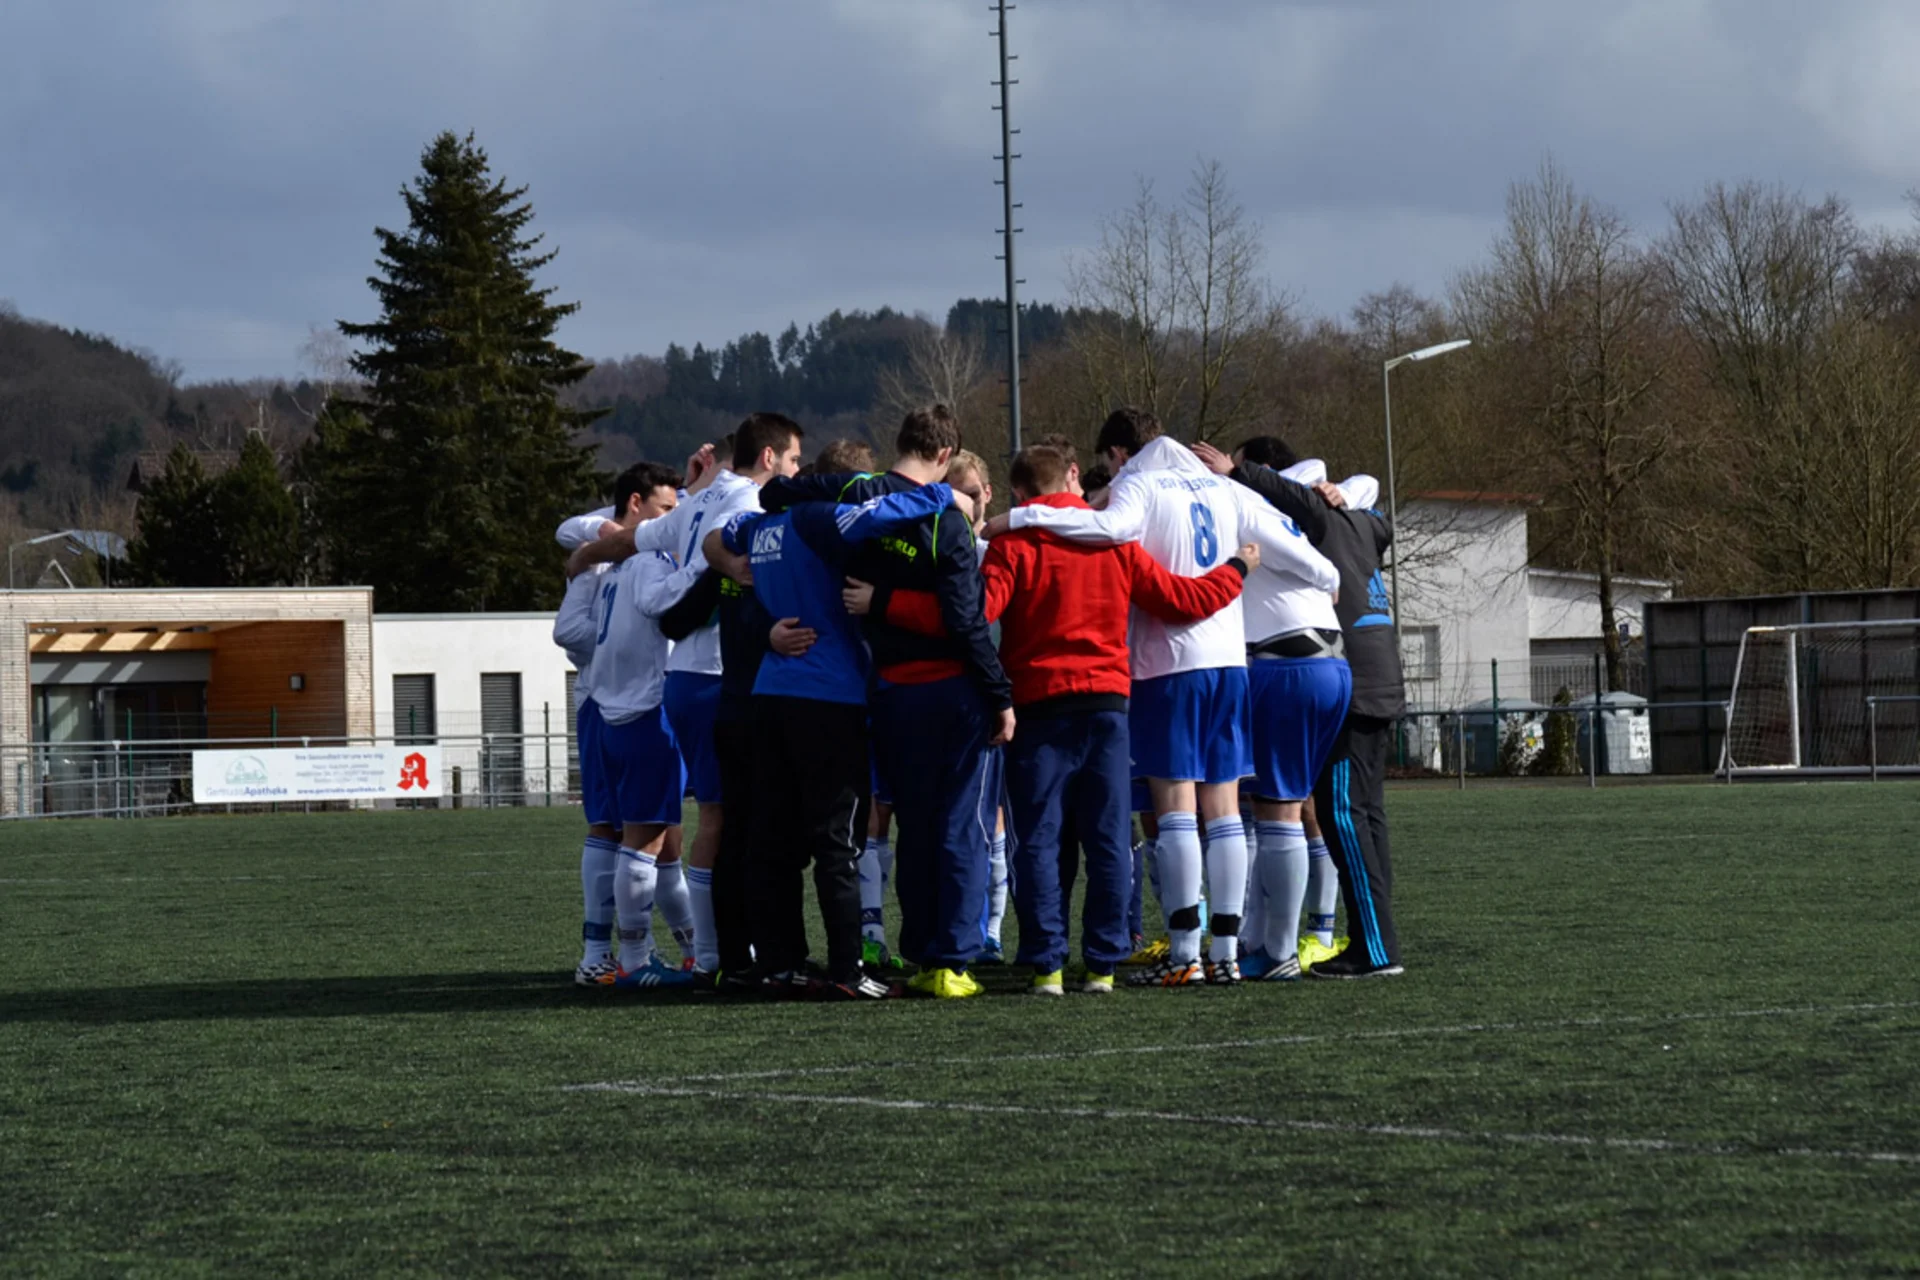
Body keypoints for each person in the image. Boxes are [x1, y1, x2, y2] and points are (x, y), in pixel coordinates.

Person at [864, 444, 1256, 993]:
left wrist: (886, 602)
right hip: (1106, 706)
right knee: (1108, 839)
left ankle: (1047, 963)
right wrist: (1237, 568)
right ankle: (1102, 964)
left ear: (1019, 493)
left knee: (1038, 841)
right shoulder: (1113, 542)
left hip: (1039, 707)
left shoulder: (1014, 545)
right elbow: (1183, 600)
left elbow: (969, 615)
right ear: (1070, 479)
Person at [982, 407, 1336, 987]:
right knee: (1204, 814)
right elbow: (1221, 578)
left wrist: (1010, 523)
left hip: (1123, 680)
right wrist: (1263, 572)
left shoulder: (1117, 499)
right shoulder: (1214, 492)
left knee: (1133, 818)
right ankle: (1202, 954)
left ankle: (1152, 954)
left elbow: (1090, 539)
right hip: (1198, 669)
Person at [767, 407, 1014, 1000]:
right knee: (961, 827)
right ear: (944, 453)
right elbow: (966, 620)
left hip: (891, 691)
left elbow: (775, 492)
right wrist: (1000, 695)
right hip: (951, 689)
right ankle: (952, 960)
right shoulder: (945, 519)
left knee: (916, 827)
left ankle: (923, 950)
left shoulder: (859, 495)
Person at [567, 415, 806, 979]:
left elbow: (631, 537)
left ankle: (694, 949)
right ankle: (712, 954)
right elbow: (697, 574)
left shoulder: (696, 502)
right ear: (768, 458)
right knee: (721, 821)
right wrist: (719, 574)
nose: (797, 472)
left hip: (677, 682)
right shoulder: (746, 501)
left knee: (681, 827)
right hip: (716, 678)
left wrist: (587, 554)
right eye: (795, 460)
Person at [704, 481, 963, 999]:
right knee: (837, 839)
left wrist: (734, 571)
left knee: (773, 838)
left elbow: (717, 536)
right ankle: (849, 970)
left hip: (770, 692)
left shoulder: (758, 526)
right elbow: (876, 515)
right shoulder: (816, 517)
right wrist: (941, 492)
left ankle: (780, 965)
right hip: (827, 694)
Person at [1193, 436, 1406, 979]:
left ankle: (1373, 948)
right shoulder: (1356, 518)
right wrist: (1348, 490)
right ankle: (1367, 938)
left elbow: (1296, 490)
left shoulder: (1307, 515)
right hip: (1370, 676)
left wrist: (1237, 472)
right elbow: (1371, 495)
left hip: (1344, 677)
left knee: (1338, 815)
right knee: (1361, 815)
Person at [559, 461, 700, 989]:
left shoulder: (618, 559)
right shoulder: (642, 559)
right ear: (637, 506)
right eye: (666, 509)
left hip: (616, 706)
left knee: (664, 840)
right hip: (634, 707)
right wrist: (704, 568)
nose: (674, 519)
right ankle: (624, 956)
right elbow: (571, 629)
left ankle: (694, 949)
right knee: (633, 834)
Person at [1221, 455, 1355, 982]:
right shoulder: (1266, 506)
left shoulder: (1246, 505)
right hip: (1324, 664)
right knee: (1281, 808)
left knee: (1278, 812)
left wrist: (1328, 573)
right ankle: (1264, 940)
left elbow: (1316, 564)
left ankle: (1278, 951)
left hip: (1288, 666)